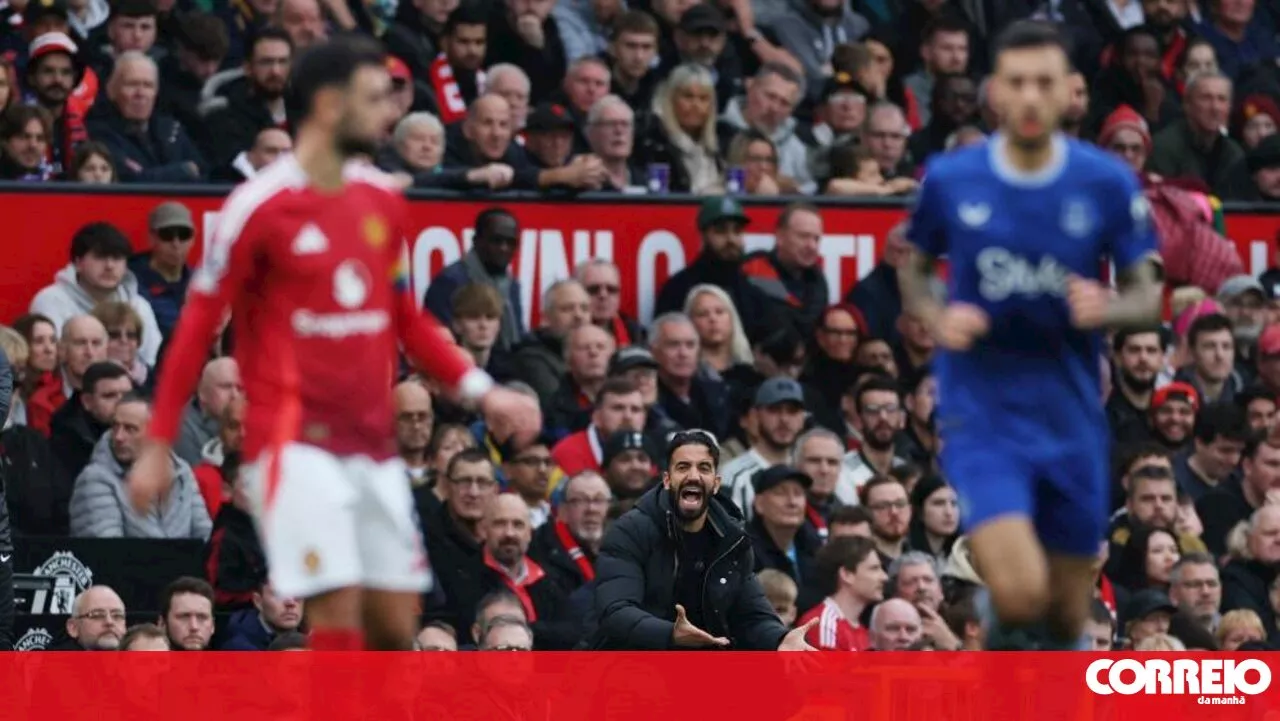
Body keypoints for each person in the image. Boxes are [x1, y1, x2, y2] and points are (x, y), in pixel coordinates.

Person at [129, 35, 539, 652]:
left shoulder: (382, 201)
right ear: (327, 105)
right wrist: (159, 440)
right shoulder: (258, 206)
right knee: (339, 611)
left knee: (395, 627)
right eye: (374, 98)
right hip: (291, 440)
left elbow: (406, 319)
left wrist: (483, 391)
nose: (387, 113)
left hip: (369, 442)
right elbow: (194, 326)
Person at [900, 21, 1162, 650]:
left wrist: (1111, 307)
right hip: (982, 411)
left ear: (1072, 91)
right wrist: (935, 316)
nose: (1029, 97)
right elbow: (912, 267)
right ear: (994, 91)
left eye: (1044, 82)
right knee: (1018, 591)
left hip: (1070, 413)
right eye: (1016, 82)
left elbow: (1149, 294)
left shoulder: (1103, 182)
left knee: (1070, 615)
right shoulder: (952, 179)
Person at [587, 429, 819, 650]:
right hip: (635, 666)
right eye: (683, 467)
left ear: (716, 484)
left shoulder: (732, 539)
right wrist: (671, 634)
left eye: (704, 468)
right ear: (667, 480)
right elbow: (616, 611)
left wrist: (780, 639)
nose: (693, 476)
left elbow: (751, 615)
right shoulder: (631, 530)